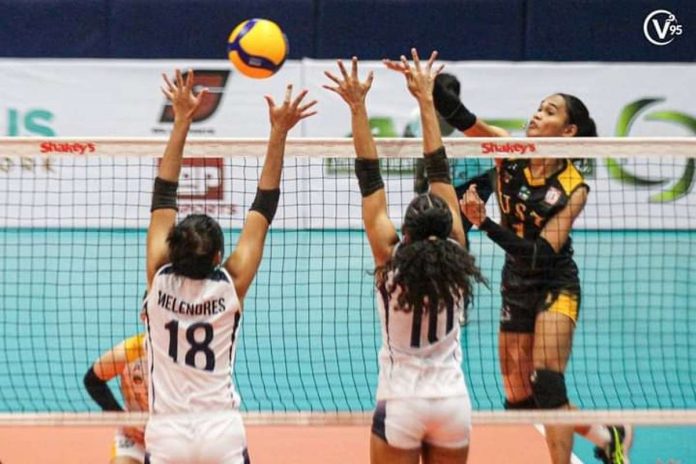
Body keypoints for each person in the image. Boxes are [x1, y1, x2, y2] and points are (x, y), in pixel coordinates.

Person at [433, 75, 632, 463]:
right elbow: (462, 117)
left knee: (548, 383)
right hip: (516, 283)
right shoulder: (510, 150)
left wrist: (484, 223)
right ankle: (609, 434)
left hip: (555, 282)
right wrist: (430, 85)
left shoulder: (574, 186)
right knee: (519, 398)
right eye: (539, 108)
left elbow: (540, 254)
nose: (537, 115)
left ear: (569, 130)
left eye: (550, 111)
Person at [143, 69, 316, 463]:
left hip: (167, 434)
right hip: (221, 431)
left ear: (172, 251)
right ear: (218, 257)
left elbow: (163, 193)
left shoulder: (158, 277)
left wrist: (182, 119)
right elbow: (263, 207)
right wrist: (279, 133)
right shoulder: (231, 283)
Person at [325, 51, 486, 464]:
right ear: (449, 225)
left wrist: (357, 108)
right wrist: (426, 99)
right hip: (451, 402)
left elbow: (368, 174)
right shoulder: (458, 255)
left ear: (406, 231)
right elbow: (439, 168)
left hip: (402, 401)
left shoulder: (389, 260)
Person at [84, 333, 148, 464]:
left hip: (175, 433)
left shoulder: (184, 357)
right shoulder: (131, 350)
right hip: (136, 434)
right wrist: (125, 421)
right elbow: (92, 381)